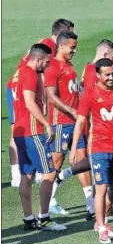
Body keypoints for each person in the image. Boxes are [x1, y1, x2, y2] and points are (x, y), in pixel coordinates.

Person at [55, 39, 113, 220]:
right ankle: (98, 216)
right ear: (105, 55)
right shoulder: (94, 73)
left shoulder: (87, 68)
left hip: (96, 125)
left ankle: (93, 207)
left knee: (94, 165)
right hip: (94, 128)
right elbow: (91, 102)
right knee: (97, 168)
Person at [6, 19, 74, 187]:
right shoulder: (49, 46)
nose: (71, 38)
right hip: (21, 87)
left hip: (23, 84)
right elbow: (41, 73)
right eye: (69, 33)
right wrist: (44, 99)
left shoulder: (45, 42)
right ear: (60, 34)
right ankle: (17, 173)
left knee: (26, 128)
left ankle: (30, 170)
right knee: (18, 128)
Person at [69, 58, 113, 244]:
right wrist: (74, 148)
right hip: (99, 148)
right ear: (98, 75)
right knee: (101, 189)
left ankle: (101, 221)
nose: (111, 77)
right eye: (107, 74)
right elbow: (81, 122)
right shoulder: (89, 94)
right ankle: (102, 227)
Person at [13, 43, 66, 231]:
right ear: (37, 59)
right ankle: (44, 218)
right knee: (49, 173)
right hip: (32, 131)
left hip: (20, 131)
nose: (48, 65)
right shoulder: (29, 73)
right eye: (46, 61)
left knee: (26, 175)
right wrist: (46, 123)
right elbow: (29, 102)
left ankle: (28, 219)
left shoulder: (19, 72)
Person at [44, 31, 93, 216]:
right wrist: (71, 110)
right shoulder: (53, 67)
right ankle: (46, 206)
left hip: (75, 123)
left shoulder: (68, 65)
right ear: (62, 45)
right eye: (72, 47)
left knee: (82, 161)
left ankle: (90, 205)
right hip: (60, 124)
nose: (74, 50)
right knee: (55, 165)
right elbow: (51, 95)